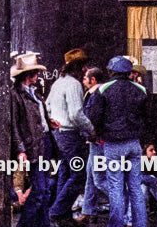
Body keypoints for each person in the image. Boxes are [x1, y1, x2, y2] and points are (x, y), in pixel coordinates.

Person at [85, 55, 148, 227]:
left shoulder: (104, 89)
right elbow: (148, 118)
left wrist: (95, 135)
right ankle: (140, 224)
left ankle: (116, 224)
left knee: (115, 186)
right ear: (129, 71)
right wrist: (144, 141)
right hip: (134, 143)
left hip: (113, 144)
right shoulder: (140, 90)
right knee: (135, 186)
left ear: (111, 71)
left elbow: (94, 118)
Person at [46, 48, 95, 225]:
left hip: (58, 135)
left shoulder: (58, 83)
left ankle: (63, 213)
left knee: (65, 173)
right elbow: (75, 114)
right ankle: (58, 211)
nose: (85, 69)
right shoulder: (74, 85)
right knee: (79, 173)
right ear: (79, 66)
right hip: (71, 135)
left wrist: (53, 122)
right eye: (83, 65)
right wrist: (91, 129)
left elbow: (47, 107)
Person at [10, 52, 59, 227]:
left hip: (44, 143)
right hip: (32, 148)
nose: (37, 77)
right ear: (27, 76)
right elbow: (14, 125)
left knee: (44, 191)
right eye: (35, 73)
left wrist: (48, 121)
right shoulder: (16, 96)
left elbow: (37, 117)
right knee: (38, 191)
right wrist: (20, 150)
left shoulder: (35, 94)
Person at [80, 65, 110, 225]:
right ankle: (88, 211)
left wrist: (90, 135)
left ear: (93, 80)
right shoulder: (93, 94)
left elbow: (94, 119)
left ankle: (126, 200)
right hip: (95, 142)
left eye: (85, 78)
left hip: (98, 142)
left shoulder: (97, 95)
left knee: (98, 179)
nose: (83, 80)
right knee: (90, 177)